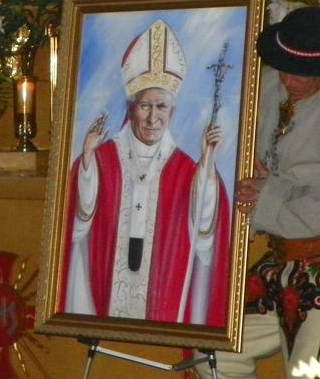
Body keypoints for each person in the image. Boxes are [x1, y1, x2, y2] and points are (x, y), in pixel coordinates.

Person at [195, 7, 320, 379]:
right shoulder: (268, 86)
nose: (291, 79)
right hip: (285, 255)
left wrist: (268, 194)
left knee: (313, 373)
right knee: (212, 350)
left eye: (303, 71)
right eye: (284, 66)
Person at [59, 19, 230, 326]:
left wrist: (206, 164)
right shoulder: (104, 157)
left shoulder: (185, 167)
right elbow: (79, 216)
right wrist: (86, 159)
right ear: (131, 108)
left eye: (161, 107)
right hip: (106, 276)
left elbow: (205, 228)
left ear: (172, 112)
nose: (153, 117)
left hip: (162, 284)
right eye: (145, 106)